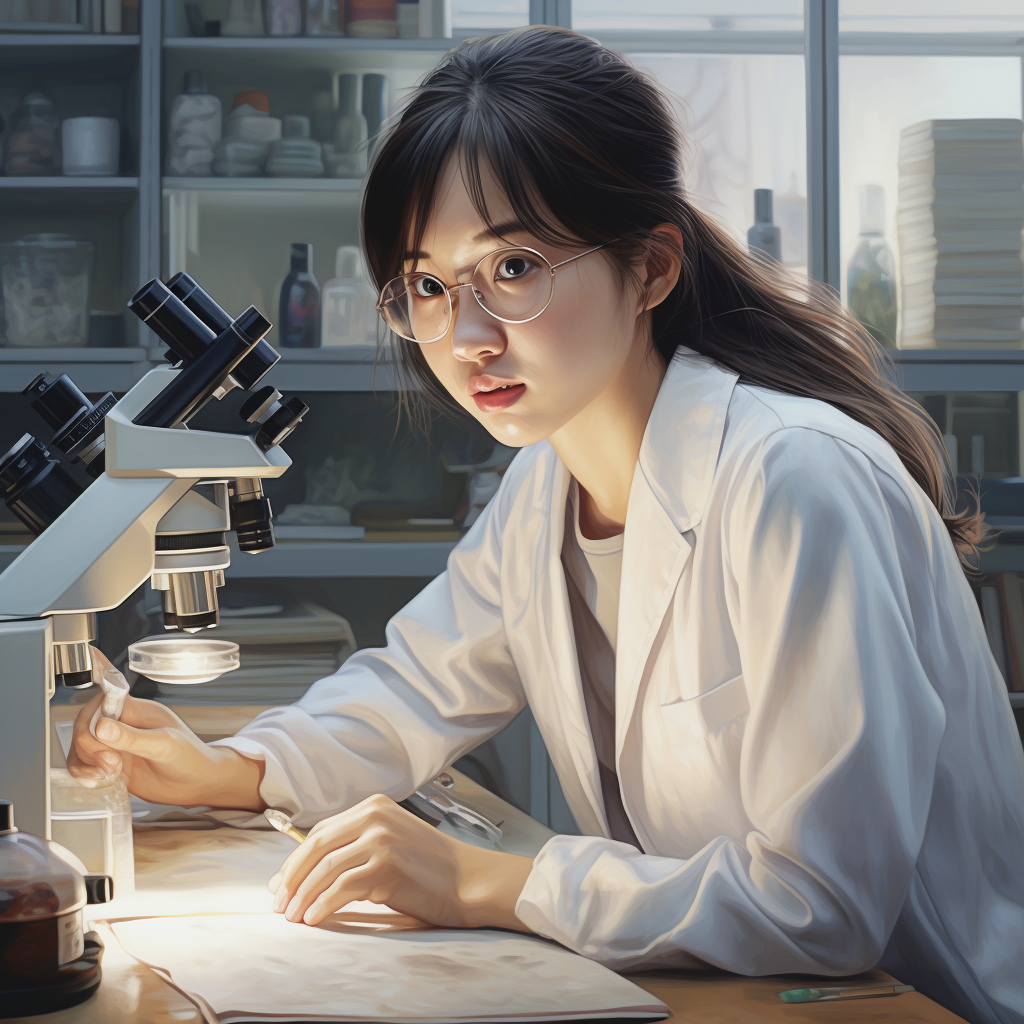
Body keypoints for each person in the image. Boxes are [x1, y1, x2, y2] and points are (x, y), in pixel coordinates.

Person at [70, 26, 1024, 1024]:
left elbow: (820, 904)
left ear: (650, 268)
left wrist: (483, 879)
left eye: (515, 267)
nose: (467, 338)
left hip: (919, 1004)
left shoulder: (793, 480)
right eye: (430, 286)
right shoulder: (542, 487)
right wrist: (226, 767)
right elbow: (410, 690)